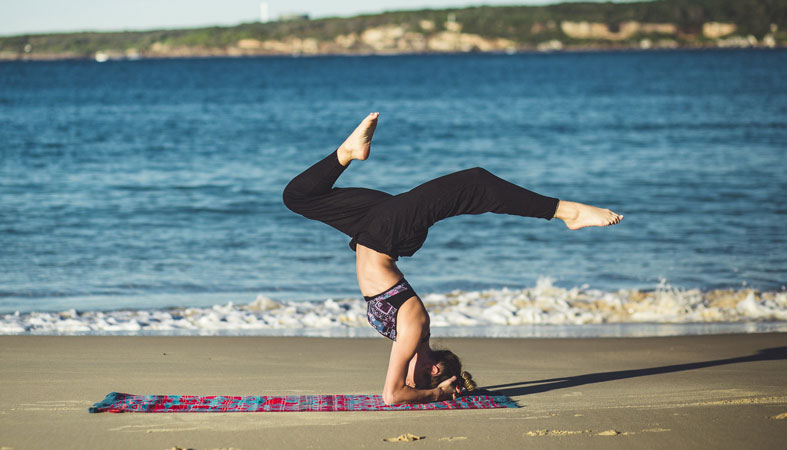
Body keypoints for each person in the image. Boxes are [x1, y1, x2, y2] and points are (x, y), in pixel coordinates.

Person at [283, 113, 622, 405]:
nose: (406, 378)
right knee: (475, 181)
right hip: (388, 234)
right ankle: (568, 213)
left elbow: (395, 391)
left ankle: (348, 153)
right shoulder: (414, 326)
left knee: (298, 197)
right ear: (434, 368)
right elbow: (393, 394)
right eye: (416, 379)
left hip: (371, 229)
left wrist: (440, 390)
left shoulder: (406, 338)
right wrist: (438, 394)